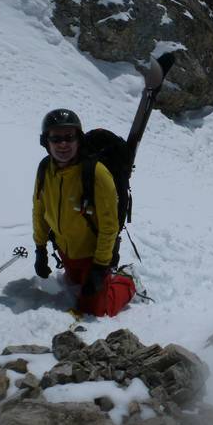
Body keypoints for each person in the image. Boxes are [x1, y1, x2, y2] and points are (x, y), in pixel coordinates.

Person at [32, 108, 135, 316]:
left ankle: (127, 282)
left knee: (95, 310)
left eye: (69, 137)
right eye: (56, 138)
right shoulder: (45, 169)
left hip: (94, 255)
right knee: (75, 284)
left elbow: (109, 226)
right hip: (66, 251)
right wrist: (40, 249)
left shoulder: (96, 173)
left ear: (78, 139)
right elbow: (39, 210)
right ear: (46, 142)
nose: (63, 144)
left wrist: (99, 268)